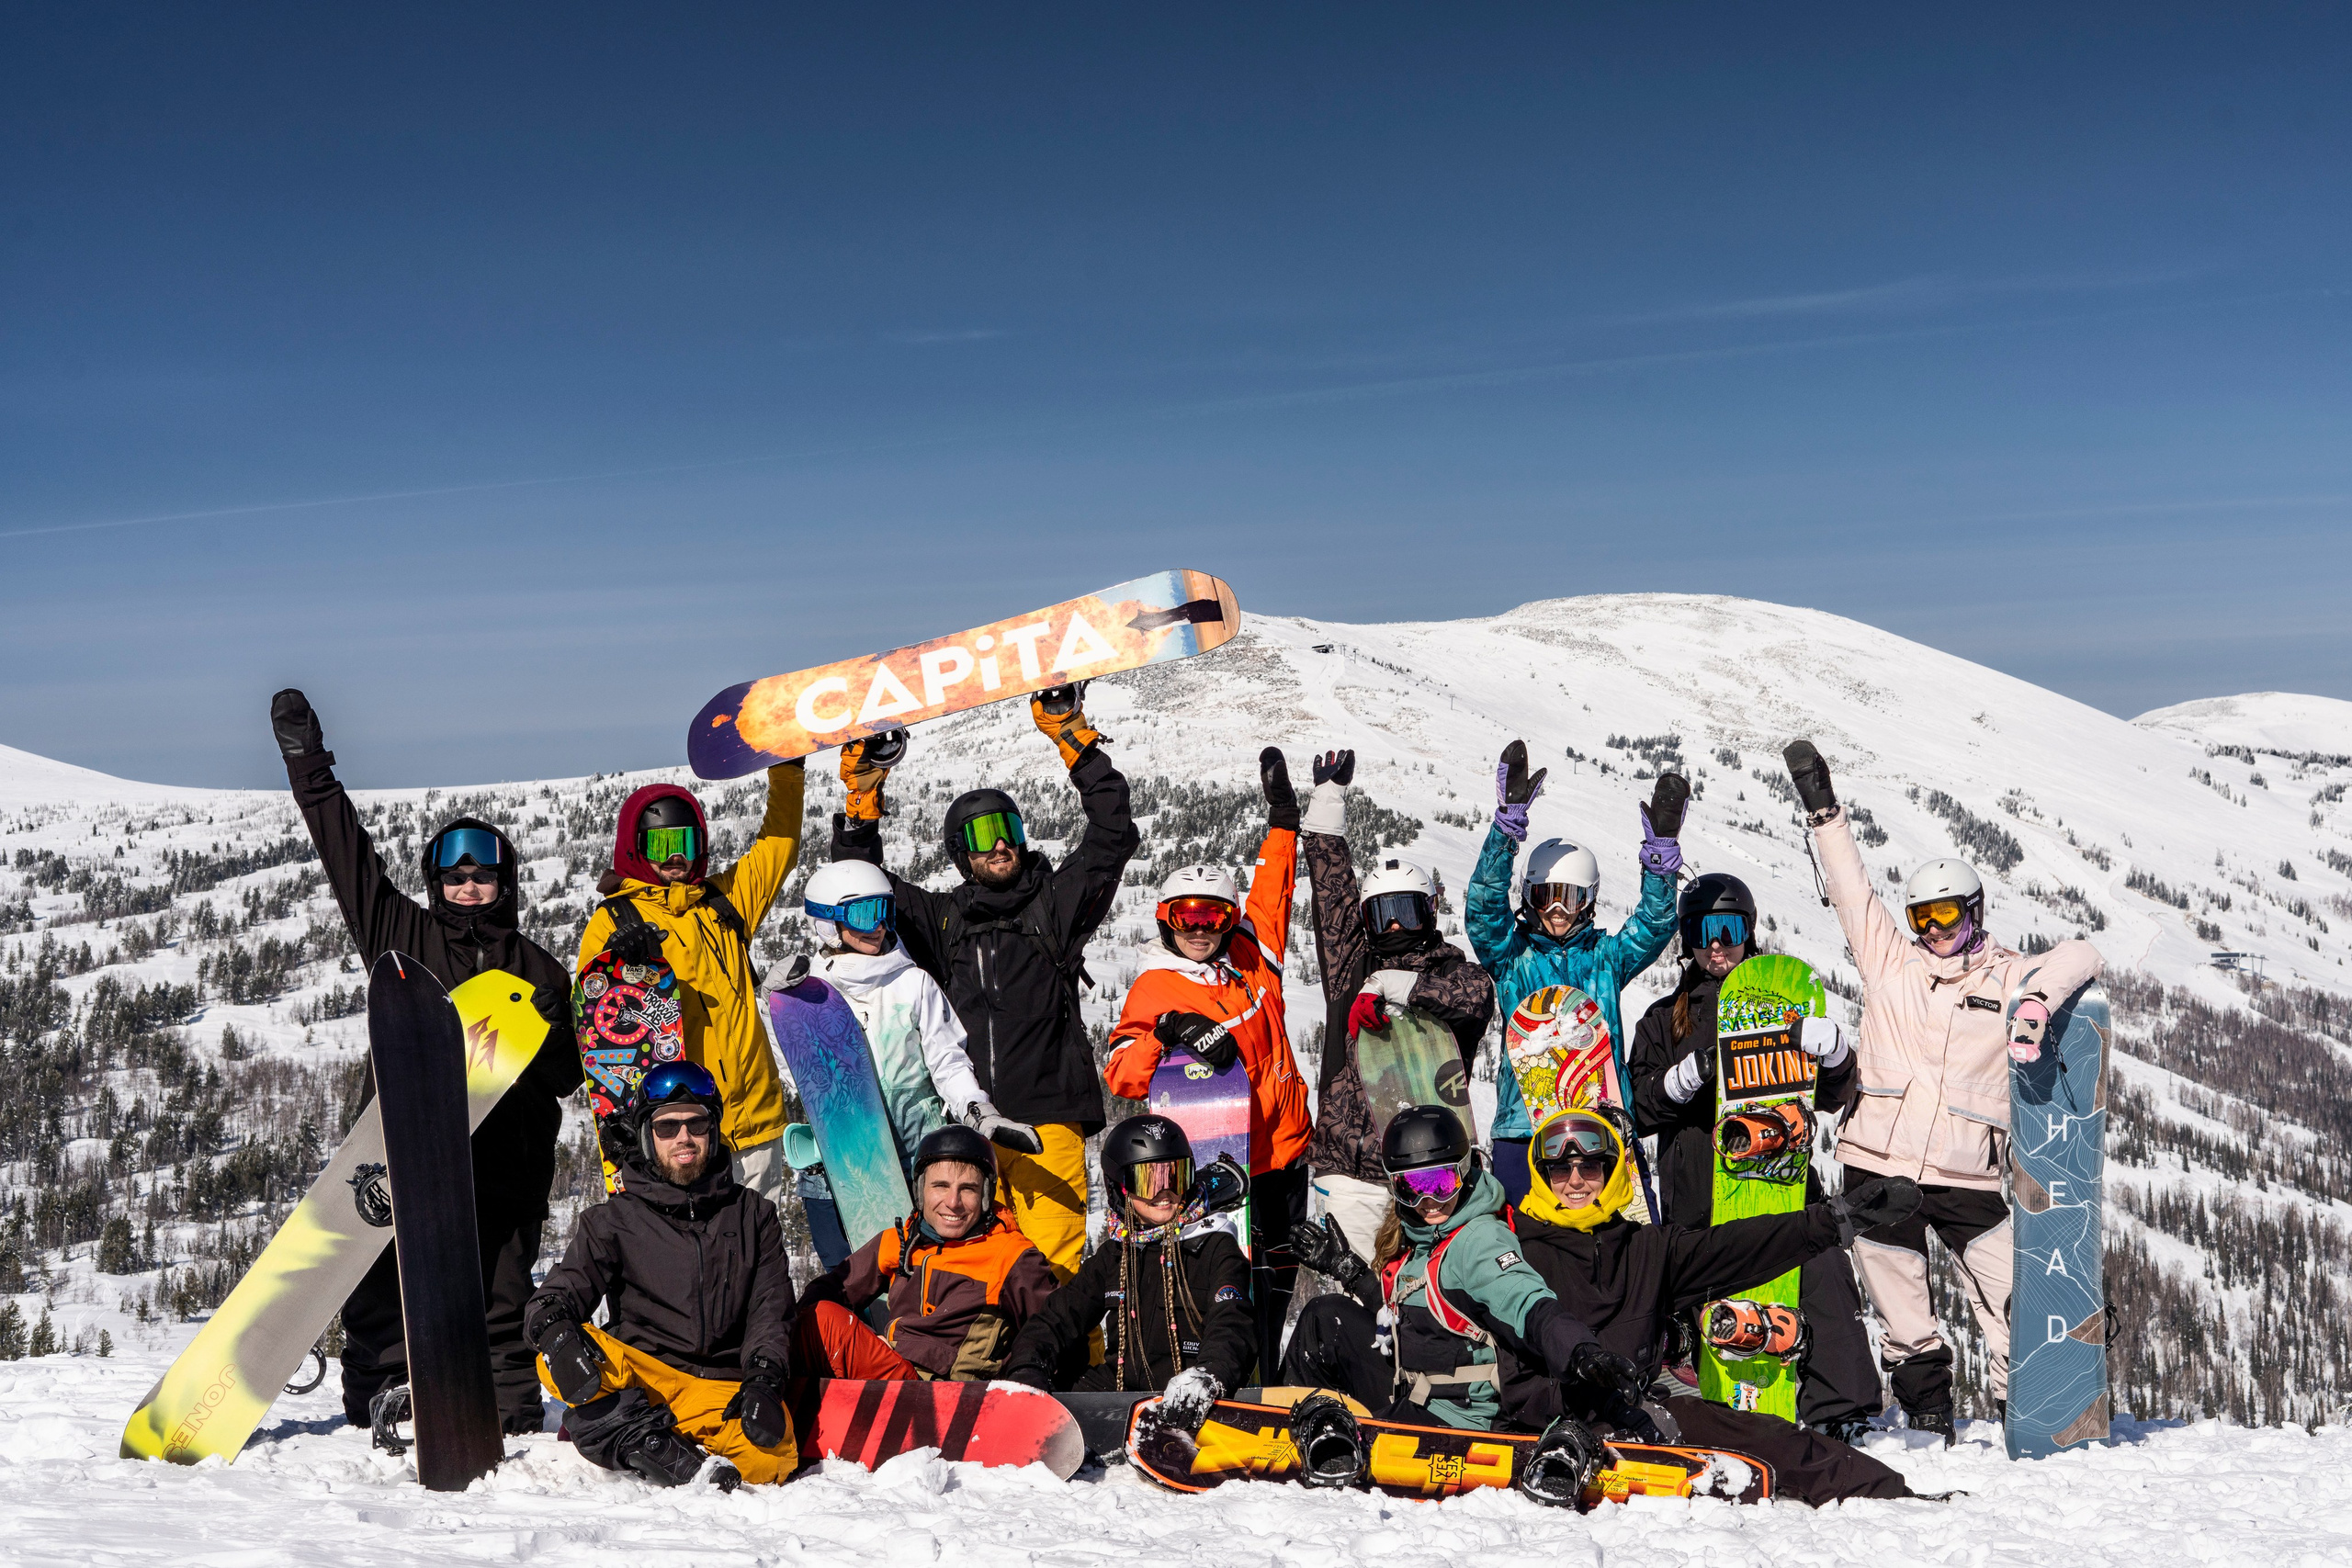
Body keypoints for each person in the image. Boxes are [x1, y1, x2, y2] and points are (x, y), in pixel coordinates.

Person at [268, 688, 580, 1437]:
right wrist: (309, 764)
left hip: (506, 1168)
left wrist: (548, 1034)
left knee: (500, 1299)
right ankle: (373, 1403)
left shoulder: (539, 966)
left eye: (482, 876)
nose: (467, 887)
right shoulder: (400, 934)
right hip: (404, 1155)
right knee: (379, 1290)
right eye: (452, 876)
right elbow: (349, 857)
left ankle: (506, 1413)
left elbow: (568, 1076)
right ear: (435, 881)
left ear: (504, 882)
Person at [1784, 739, 2106, 1443]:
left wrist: (2036, 1005)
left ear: (1975, 912)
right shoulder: (1889, 963)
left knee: (2012, 1300)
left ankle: (2018, 1403)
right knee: (1902, 1309)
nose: (1934, 933)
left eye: (1948, 916)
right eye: (1923, 918)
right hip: (1879, 1159)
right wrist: (1823, 811)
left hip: (1968, 1171)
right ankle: (1927, 1414)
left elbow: (2084, 954)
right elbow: (1849, 887)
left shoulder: (2007, 975)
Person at [829, 686, 1139, 1279]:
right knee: (980, 1278)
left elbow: (1111, 834)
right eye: (979, 835)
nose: (998, 843)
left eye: (1006, 828)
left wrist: (1072, 737)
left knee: (1055, 1275)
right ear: (959, 853)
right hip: (971, 1129)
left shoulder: (1056, 905)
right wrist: (862, 800)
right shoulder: (943, 923)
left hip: (1050, 1123)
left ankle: (1070, 1373)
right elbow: (861, 883)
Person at [1491, 1107, 1921, 1506]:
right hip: (1546, 1425)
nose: (1576, 1180)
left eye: (1590, 1166)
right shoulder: (1515, 1251)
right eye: (1560, 1169)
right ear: (1542, 1175)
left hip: (1636, 1415)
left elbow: (1737, 1248)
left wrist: (1833, 1220)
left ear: (1610, 1171)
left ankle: (1895, 1500)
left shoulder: (1646, 1249)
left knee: (1778, 1439)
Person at [1625, 872, 1883, 1439]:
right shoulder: (1663, 1021)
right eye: (1703, 930)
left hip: (1779, 1184)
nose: (1717, 944)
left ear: (1749, 931)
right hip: (1699, 1196)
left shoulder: (1782, 1003)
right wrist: (1687, 1076)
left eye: (1730, 928)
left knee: (1816, 1275)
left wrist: (1835, 1055)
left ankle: (1837, 1410)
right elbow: (1638, 1109)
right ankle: (1715, 1411)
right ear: (1687, 938)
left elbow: (1833, 1096)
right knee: (1715, 1308)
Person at [1102, 747, 1311, 1377]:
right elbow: (1121, 1070)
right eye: (1186, 915)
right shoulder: (1156, 985)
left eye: (1214, 915)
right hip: (1219, 1165)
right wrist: (1166, 1030)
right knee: (1229, 1283)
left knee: (1278, 1278)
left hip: (1285, 1153)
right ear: (1166, 918)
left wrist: (1283, 819)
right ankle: (1218, 1375)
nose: (1201, 927)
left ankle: (1266, 1382)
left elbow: (1270, 894)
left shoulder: (1251, 954)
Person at [526, 1062, 797, 1489]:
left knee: (774, 1459)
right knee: (557, 1358)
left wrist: (764, 1378)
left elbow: (771, 1310)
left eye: (696, 1124)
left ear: (713, 1130)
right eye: (667, 1127)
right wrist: (557, 1333)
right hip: (644, 1375)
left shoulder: (753, 1215)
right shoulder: (613, 1220)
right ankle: (658, 1447)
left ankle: (634, 1438)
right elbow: (556, 1296)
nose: (683, 1138)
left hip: (717, 1388)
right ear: (648, 1137)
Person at [787, 859, 1041, 1269]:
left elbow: (947, 1060)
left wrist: (977, 1111)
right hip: (834, 1168)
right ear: (826, 922)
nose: (879, 926)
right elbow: (799, 1074)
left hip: (908, 1162)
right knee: (844, 1285)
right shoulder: (810, 993)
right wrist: (780, 998)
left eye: (884, 911)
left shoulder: (912, 982)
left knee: (912, 1280)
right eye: (864, 914)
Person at [1466, 739, 1687, 1207]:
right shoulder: (1513, 958)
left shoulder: (1606, 958)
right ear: (1529, 898)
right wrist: (1505, 831)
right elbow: (1484, 912)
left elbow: (1654, 924)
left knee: (1617, 1254)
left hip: (1602, 1128)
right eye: (1547, 896)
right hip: (1523, 1127)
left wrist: (1660, 857)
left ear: (1590, 899)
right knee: (1522, 1248)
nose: (1560, 910)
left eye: (1573, 896)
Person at [576, 760, 808, 1203]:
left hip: (753, 1121)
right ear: (636, 846)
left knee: (756, 1256)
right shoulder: (613, 922)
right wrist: (623, 966)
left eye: (684, 841)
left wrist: (787, 770)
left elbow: (780, 845)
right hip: (680, 1133)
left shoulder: (725, 901)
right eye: (660, 843)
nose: (674, 856)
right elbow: (596, 1030)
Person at [1298, 750, 1496, 1262]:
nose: (1393, 927)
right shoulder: (1350, 969)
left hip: (1433, 1173)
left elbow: (1476, 997)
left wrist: (1394, 985)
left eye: (1405, 910)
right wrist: (1327, 802)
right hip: (1350, 1169)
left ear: (1429, 912)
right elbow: (1331, 897)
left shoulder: (1453, 972)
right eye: (1382, 913)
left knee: (1430, 1301)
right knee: (1354, 1303)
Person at [998, 1114, 1257, 1398]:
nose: (1165, 1191)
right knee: (1050, 1402)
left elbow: (1231, 1323)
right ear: (1119, 1188)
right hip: (1122, 1392)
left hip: (1187, 1395)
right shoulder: (1116, 1254)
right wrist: (1027, 1369)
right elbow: (1057, 1317)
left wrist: (1209, 1376)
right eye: (1148, 1180)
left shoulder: (1215, 1246)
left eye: (1175, 1175)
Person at [792, 1124, 1057, 1382]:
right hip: (894, 1374)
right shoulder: (901, 1242)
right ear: (920, 1191)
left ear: (986, 1195)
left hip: (949, 1394)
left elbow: (1055, 1329)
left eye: (968, 1189)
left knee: (826, 1322)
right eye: (940, 1186)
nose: (953, 1203)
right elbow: (829, 1289)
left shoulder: (1012, 1257)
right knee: (803, 1324)